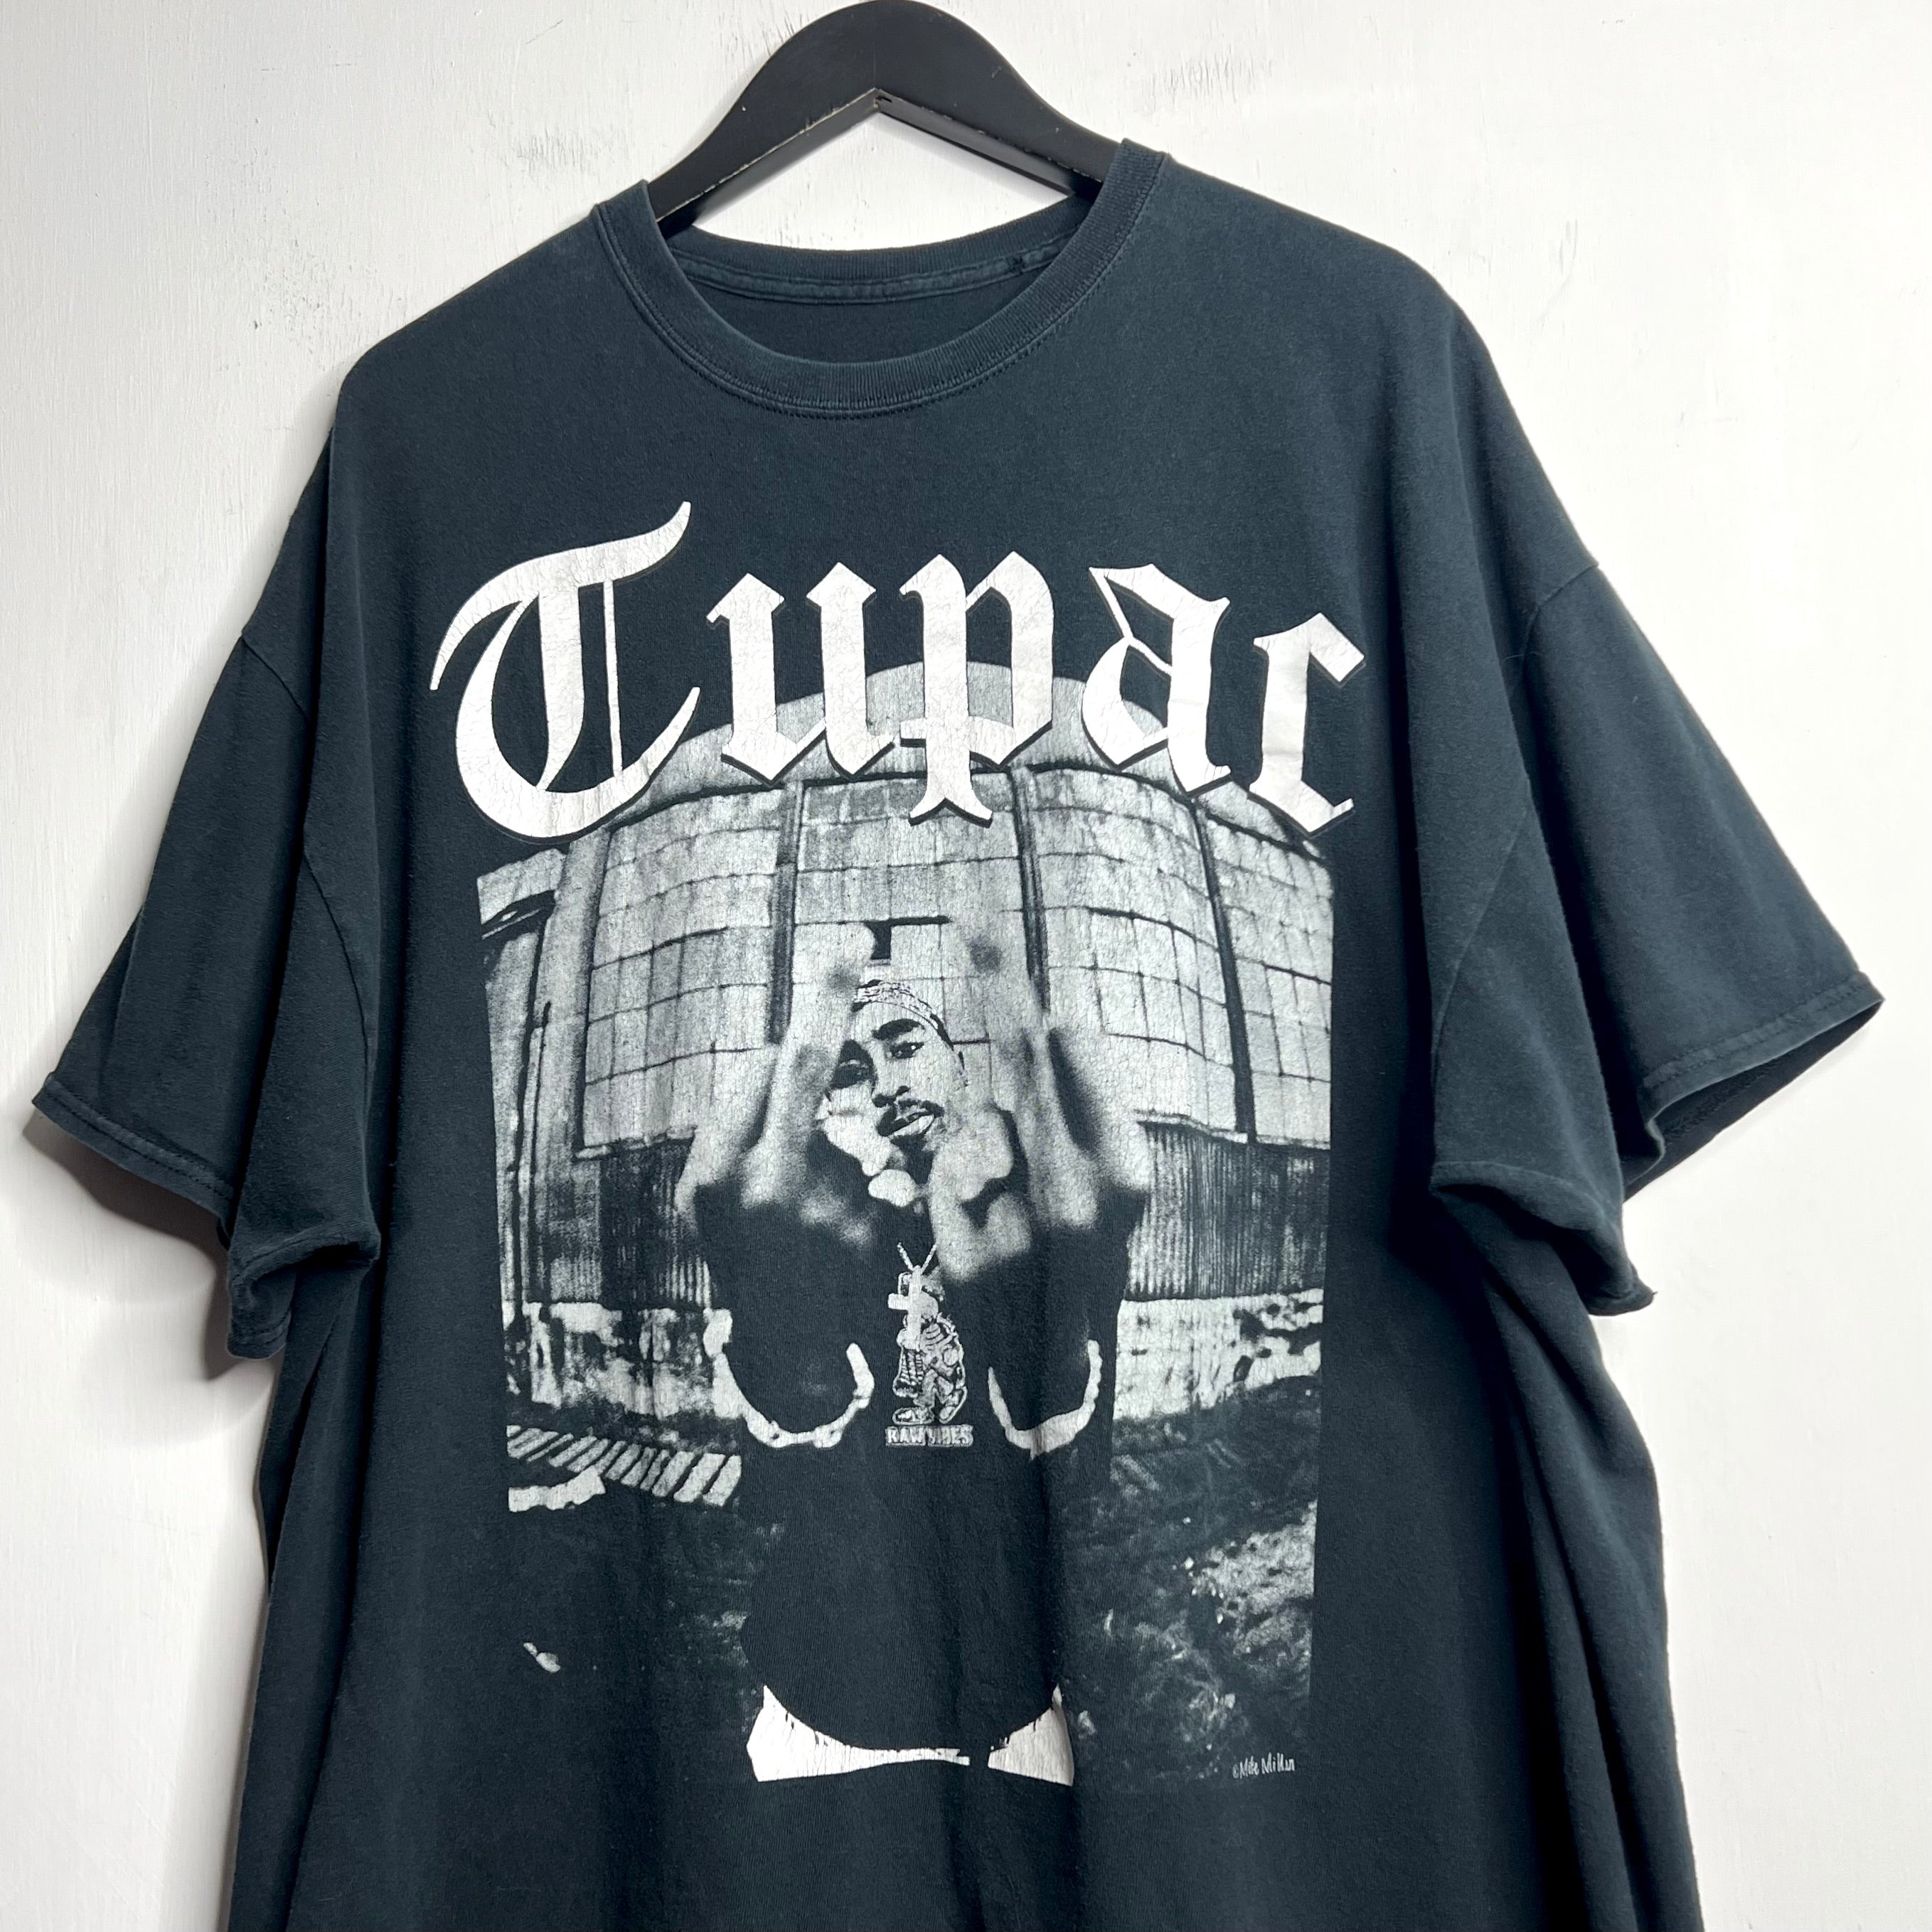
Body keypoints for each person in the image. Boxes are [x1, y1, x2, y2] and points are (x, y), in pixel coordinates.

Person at [676, 936, 1151, 1783]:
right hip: (819, 1715)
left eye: (905, 1046)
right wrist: (768, 1315)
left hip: (1012, 1717)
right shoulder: (817, 1237)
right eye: (852, 1069)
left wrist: (1070, 1295)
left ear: (959, 1067)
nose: (886, 1084)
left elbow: (1077, 1477)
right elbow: (775, 1479)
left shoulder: (1030, 1226)